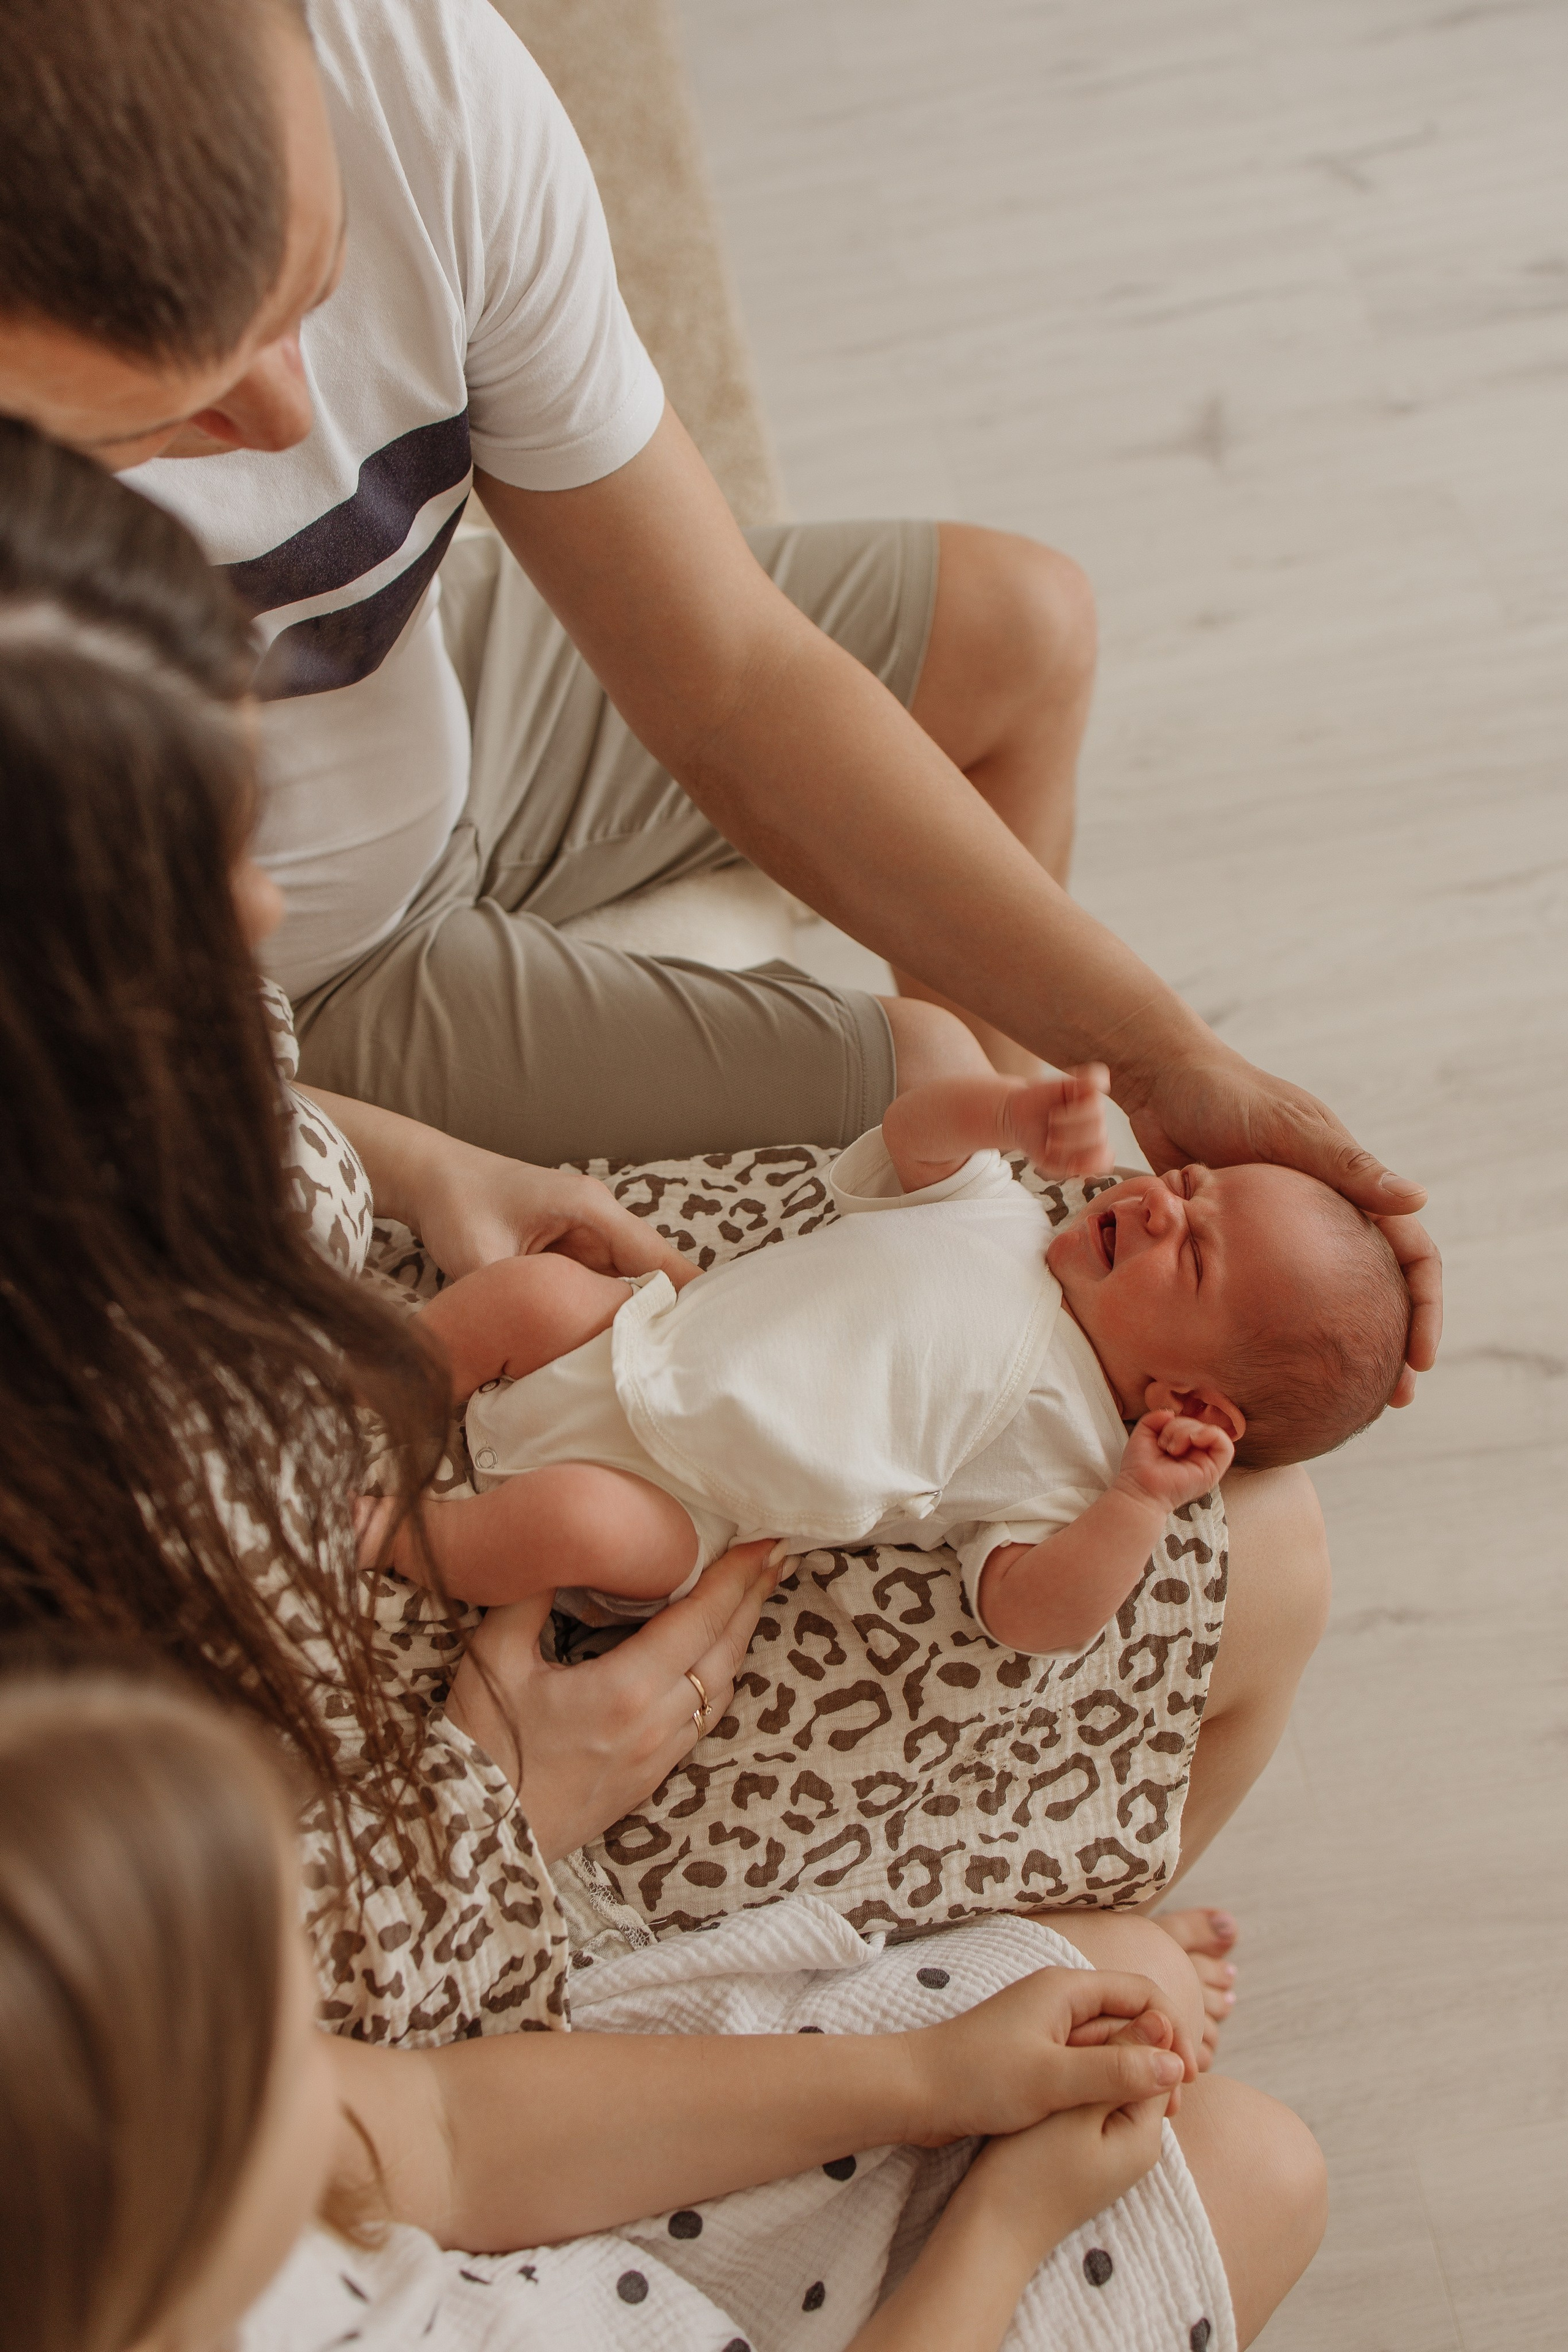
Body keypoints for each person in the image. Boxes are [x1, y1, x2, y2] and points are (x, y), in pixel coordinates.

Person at [0, 420, 1283, 2057]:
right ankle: (1034, 1929)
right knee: (1268, 1588)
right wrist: (503, 1795)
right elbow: (172, 2035)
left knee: (1258, 1548)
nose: (257, 917)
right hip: (409, 1771)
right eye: (201, 865)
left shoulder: (135, 1026)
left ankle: (1061, 1913)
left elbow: (251, 1069)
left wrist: (404, 1157)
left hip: (472, 1394)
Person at [0, 0, 1440, 1407]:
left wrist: (1158, 1051)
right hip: (286, 965)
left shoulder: (412, 70)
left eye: (307, 289)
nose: (289, 419)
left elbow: (732, 676)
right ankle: (1013, 1299)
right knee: (934, 1066)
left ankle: (1021, 1254)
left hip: (419, 687)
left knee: (1022, 625)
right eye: (153, 421)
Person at [0, 1658, 1326, 2352]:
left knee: (1113, 1991)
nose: (328, 2046)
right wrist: (1003, 2228)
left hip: (588, 2285)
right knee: (1263, 2171)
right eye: (292, 2049)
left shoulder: (164, 2196)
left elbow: (449, 2133)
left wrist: (932, 2077)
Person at [376, 1067, 1406, 1654]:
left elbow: (1030, 1621)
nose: (1156, 1203)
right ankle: (356, 1395)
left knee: (568, 1524)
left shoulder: (1076, 1459)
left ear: (1187, 1400)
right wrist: (1009, 1115)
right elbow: (916, 1133)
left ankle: (402, 1540)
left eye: (1191, 1254)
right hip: (634, 1338)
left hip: (681, 1503)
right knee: (530, 1294)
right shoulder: (997, 1215)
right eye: (1185, 1184)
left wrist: (1136, 1504)